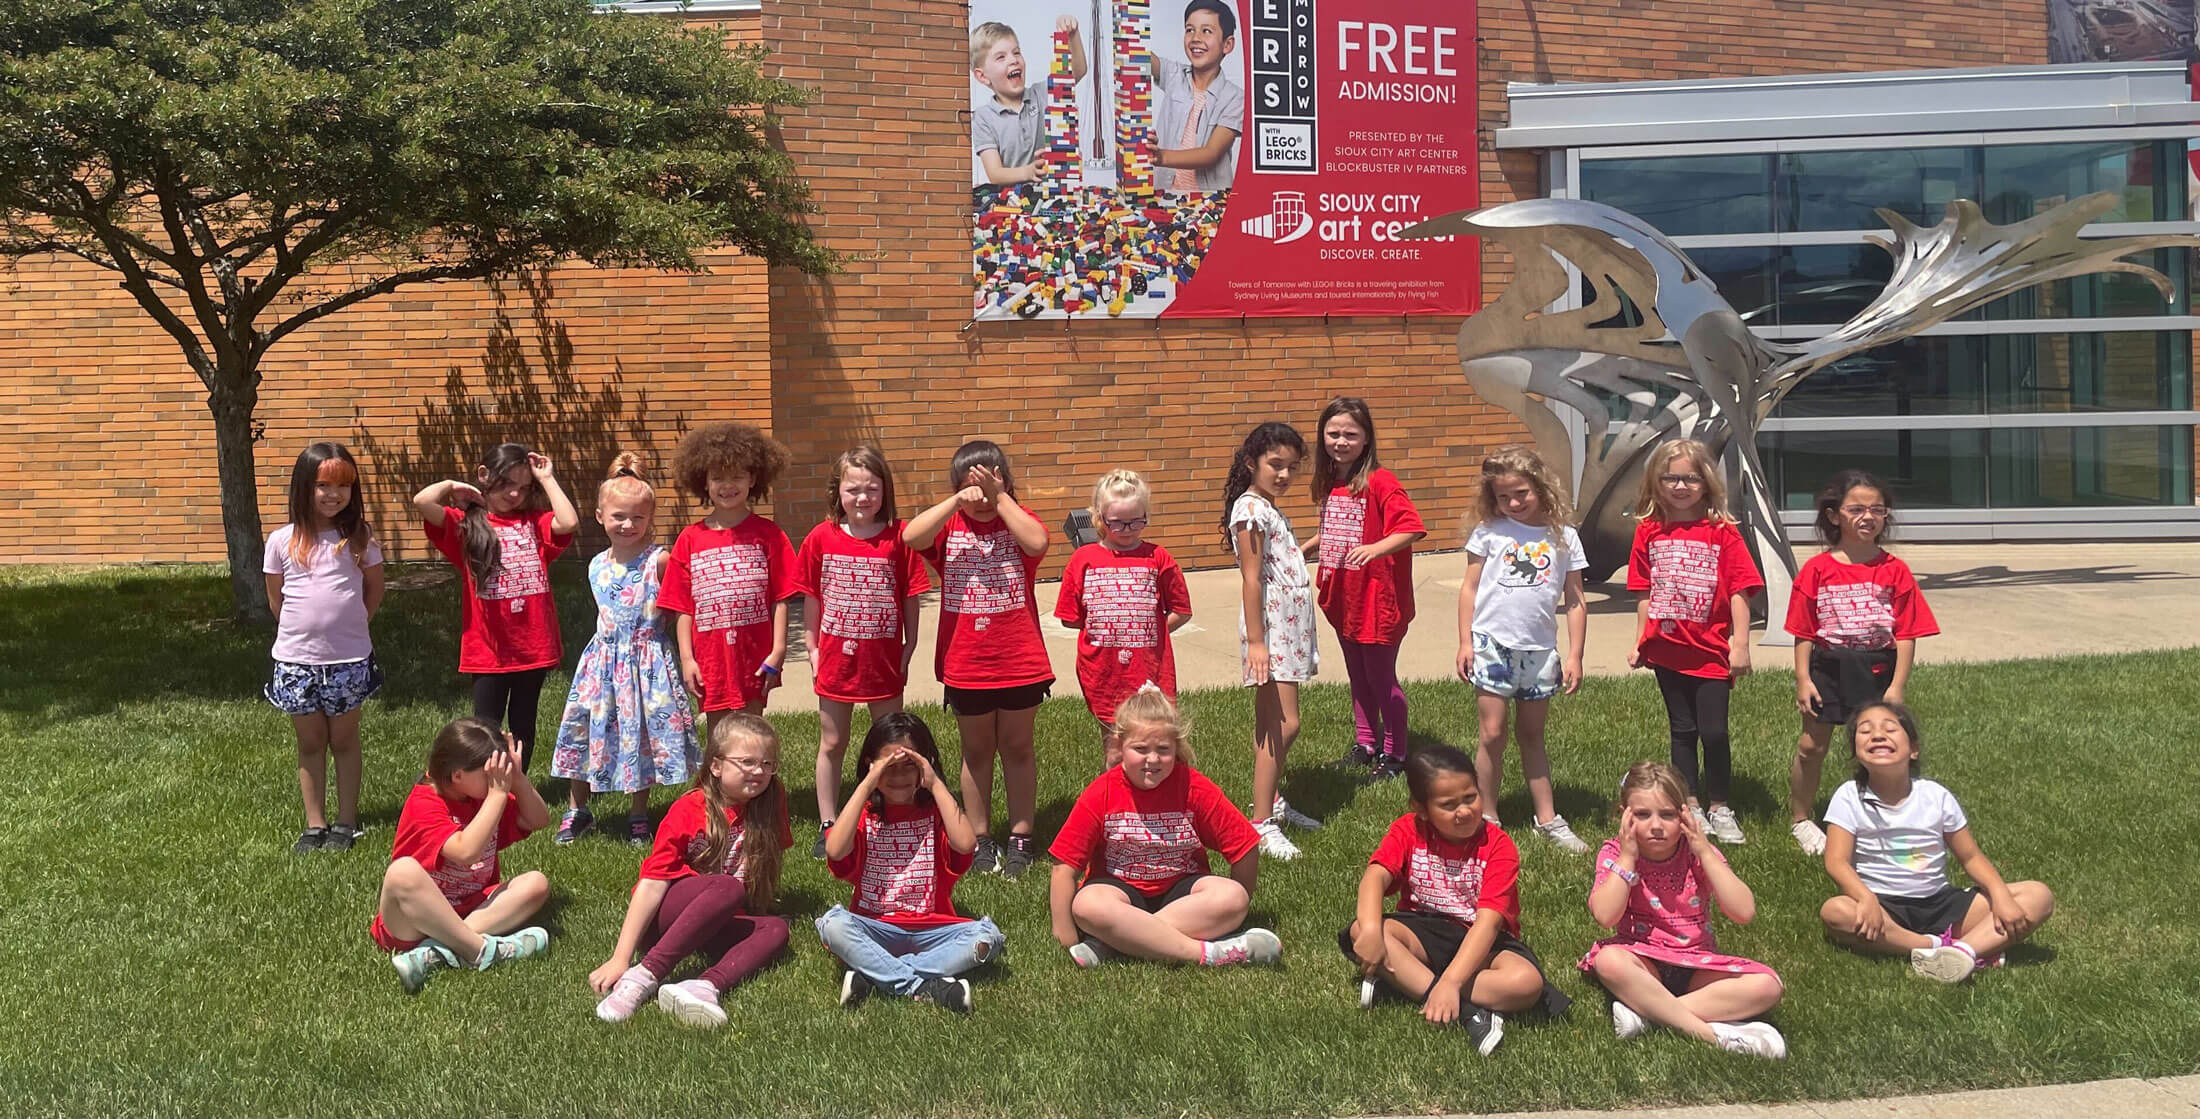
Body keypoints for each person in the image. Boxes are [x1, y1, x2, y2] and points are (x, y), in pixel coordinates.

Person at [1339, 745, 1572, 1056]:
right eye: (1448, 805)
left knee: (1527, 983)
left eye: (1470, 798)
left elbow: (1489, 923)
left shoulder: (1499, 845)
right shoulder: (1409, 829)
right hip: (1423, 929)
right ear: (1420, 808)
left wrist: (1451, 981)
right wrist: (1369, 929)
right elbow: (1374, 877)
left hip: (1483, 940)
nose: (1463, 811)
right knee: (1360, 931)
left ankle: (1405, 982)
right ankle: (1471, 1012)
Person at [1819, 702, 2053, 983]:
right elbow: (1836, 861)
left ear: (1913, 749)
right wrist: (1865, 897)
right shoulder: (1848, 796)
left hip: (1942, 903)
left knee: (2038, 896)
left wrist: (2000, 895)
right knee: (1835, 912)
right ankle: (1939, 948)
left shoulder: (1936, 796)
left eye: (1890, 728)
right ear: (1856, 752)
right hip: (1884, 908)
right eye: (1865, 731)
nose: (1877, 735)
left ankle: (1962, 951)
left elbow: (1970, 858)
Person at [1048, 685, 1280, 968]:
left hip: (1183, 892)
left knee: (1233, 897)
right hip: (1119, 893)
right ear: (1119, 745)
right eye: (1140, 749)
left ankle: (1113, 943)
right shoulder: (1102, 792)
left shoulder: (1193, 787)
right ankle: (1210, 954)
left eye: (1163, 750)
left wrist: (1235, 912)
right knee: (1087, 905)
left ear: (1177, 747)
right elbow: (1064, 868)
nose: (1153, 759)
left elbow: (1244, 846)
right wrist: (1066, 938)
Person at [588, 712, 794, 1028]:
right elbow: (652, 882)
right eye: (747, 762)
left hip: (716, 921)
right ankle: (644, 975)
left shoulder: (771, 798)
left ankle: (705, 986)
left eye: (767, 764)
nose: (759, 772)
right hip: (666, 921)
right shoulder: (689, 808)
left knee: (776, 930)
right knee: (727, 887)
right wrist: (620, 957)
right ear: (716, 765)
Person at [904, 440, 1052, 879]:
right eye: (973, 488)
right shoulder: (950, 529)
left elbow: (1038, 540)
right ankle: (981, 837)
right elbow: (912, 536)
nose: (982, 499)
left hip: (1020, 659)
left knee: (1018, 747)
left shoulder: (1017, 522)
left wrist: (1000, 498)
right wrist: (955, 501)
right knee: (976, 751)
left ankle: (1022, 836)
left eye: (992, 484)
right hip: (966, 662)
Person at [1581, 762, 1786, 1059]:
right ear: (1623, 815)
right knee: (1610, 961)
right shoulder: (1615, 852)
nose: (1655, 825)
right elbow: (1605, 915)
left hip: (1697, 965)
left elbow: (1744, 911)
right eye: (1641, 815)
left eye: (1667, 815)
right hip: (1643, 960)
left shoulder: (1697, 853)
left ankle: (1650, 1015)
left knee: (1768, 986)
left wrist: (1704, 850)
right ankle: (1713, 1036)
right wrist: (1628, 857)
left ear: (1684, 815)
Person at [1784, 470, 1939, 855]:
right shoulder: (1816, 570)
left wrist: (1897, 686)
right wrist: (1804, 678)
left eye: (1877, 509)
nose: (1867, 517)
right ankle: (1801, 819)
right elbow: (1803, 631)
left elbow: (1906, 633)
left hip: (1877, 667)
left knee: (1880, 744)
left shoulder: (1895, 571)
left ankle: (1879, 814)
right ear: (1835, 516)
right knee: (1811, 745)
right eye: (1856, 509)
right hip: (1829, 666)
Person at [549, 454, 699, 846]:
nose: (628, 525)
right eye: (618, 516)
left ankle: (638, 813)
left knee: (639, 735)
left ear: (650, 518)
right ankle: (577, 808)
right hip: (601, 662)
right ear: (600, 516)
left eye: (638, 518)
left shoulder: (659, 561)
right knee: (583, 731)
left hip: (647, 662)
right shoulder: (596, 564)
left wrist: (684, 655)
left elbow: (683, 606)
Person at [816, 712, 1006, 1014]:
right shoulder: (865, 814)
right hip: (875, 929)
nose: (900, 777)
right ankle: (927, 986)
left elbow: (966, 843)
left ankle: (875, 975)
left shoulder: (937, 813)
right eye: (889, 768)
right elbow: (836, 849)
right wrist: (867, 784)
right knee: (832, 925)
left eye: (910, 766)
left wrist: (934, 784)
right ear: (871, 766)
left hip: (932, 932)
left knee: (988, 938)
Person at [1626, 439, 1763, 845]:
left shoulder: (1723, 533)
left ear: (1706, 483)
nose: (1680, 486)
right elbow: (1644, 593)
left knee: (1714, 731)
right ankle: (1690, 805)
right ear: (1656, 481)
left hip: (1711, 650)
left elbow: (1741, 590)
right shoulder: (1648, 531)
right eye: (1671, 477)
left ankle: (1721, 805)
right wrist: (1641, 640)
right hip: (1668, 648)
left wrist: (1740, 644)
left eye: (1690, 478)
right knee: (1682, 730)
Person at [796, 445, 930, 859]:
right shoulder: (822, 537)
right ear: (838, 493)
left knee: (891, 742)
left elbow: (911, 596)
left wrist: (910, 646)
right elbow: (813, 597)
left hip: (883, 660)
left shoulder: (899, 538)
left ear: (884, 492)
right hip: (837, 658)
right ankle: (829, 821)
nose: (863, 498)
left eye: (872, 489)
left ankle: (891, 809)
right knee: (833, 741)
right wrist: (812, 646)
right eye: (853, 490)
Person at [412, 443, 580, 771]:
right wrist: (451, 486)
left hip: (532, 647)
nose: (515, 494)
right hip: (488, 652)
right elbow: (422, 501)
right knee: (484, 728)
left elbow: (569, 522)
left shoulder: (535, 523)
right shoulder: (465, 526)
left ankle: (516, 787)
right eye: (506, 485)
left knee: (523, 725)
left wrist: (546, 479)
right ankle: (485, 790)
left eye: (523, 488)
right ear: (485, 476)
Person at [1455, 445, 1590, 854]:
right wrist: (1465, 642)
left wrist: (1575, 655)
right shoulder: (1490, 532)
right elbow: (1470, 588)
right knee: (1492, 733)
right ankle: (1488, 818)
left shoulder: (1564, 537)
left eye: (1522, 494)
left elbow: (1576, 599)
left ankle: (1547, 819)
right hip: (1492, 645)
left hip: (1540, 651)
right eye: (1503, 496)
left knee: (1532, 735)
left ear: (1541, 488)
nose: (1513, 503)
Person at [372, 718, 552, 994]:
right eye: (488, 772)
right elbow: (466, 852)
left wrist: (518, 779)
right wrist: (497, 796)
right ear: (457, 775)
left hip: (468, 909)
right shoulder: (425, 802)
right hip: (413, 921)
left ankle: (434, 952)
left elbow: (539, 819)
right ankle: (485, 950)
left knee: (536, 884)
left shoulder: (482, 795)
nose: (496, 779)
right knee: (402, 872)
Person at [264, 441, 384, 853]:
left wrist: (352, 627)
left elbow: (374, 591)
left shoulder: (360, 539)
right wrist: (303, 636)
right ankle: (315, 824)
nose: (334, 494)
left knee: (345, 741)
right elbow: (275, 599)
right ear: (303, 488)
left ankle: (346, 823)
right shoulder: (281, 540)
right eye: (323, 485)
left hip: (348, 662)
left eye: (344, 486)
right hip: (296, 663)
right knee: (310, 743)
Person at [1222, 421, 1322, 861]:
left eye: (1291, 468)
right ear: (1252, 463)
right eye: (1275, 465)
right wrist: (1258, 643)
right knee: (1285, 725)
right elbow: (1250, 579)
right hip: (1272, 629)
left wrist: (1320, 540)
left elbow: (1279, 565)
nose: (1283, 475)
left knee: (1270, 725)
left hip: (1288, 626)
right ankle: (1260, 822)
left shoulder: (1267, 507)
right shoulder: (1250, 511)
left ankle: (1272, 801)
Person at [657, 423, 799, 732]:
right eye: (718, 477)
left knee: (751, 731)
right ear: (703, 481)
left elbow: (781, 599)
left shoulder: (770, 535)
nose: (727, 485)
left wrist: (778, 650)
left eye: (736, 476)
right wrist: (687, 659)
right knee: (718, 736)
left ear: (752, 478)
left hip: (755, 657)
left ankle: (757, 780)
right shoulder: (690, 539)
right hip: (710, 660)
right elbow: (683, 607)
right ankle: (715, 782)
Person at [1311, 398, 1426, 780]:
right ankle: (1366, 743)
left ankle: (1395, 754)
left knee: (1380, 678)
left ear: (1366, 440)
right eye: (1334, 433)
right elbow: (1336, 530)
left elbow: (1411, 527)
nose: (1340, 441)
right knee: (1358, 677)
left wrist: (1375, 549)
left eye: (1350, 434)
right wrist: (1303, 548)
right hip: (1344, 597)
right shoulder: (1332, 482)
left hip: (1378, 599)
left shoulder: (1381, 481)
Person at [1054, 469, 1192, 766]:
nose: (1127, 529)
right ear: (1099, 518)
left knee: (1160, 745)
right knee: (1116, 749)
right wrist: (1110, 627)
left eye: (1136, 521)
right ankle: (1117, 807)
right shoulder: (1083, 560)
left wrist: (1149, 630)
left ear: (1146, 515)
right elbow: (1070, 617)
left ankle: (1161, 806)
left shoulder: (1159, 558)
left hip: (1150, 672)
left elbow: (1181, 610)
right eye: (1116, 522)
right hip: (1105, 672)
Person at [970, 16, 1087, 187]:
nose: (1013, 60)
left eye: (1016, 52)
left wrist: (1073, 36)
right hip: (1013, 202)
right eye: (1001, 57)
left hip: (1053, 193)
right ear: (982, 76)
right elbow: (995, 173)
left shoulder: (1041, 94)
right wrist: (1029, 171)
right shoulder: (983, 118)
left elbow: (1078, 71)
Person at [1153, 0, 1244, 192]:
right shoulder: (1173, 74)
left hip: (1209, 202)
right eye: (1189, 30)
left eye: (1206, 31)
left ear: (1227, 44)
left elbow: (1211, 154)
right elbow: (1138, 55)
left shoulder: (1235, 98)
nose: (1195, 38)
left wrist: (1161, 157)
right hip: (1165, 196)